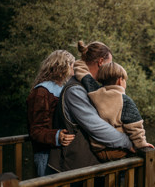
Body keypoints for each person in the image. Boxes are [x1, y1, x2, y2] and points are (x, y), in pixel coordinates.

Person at [48, 41, 134, 173]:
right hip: (73, 169)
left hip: (86, 166)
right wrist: (128, 142)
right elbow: (96, 126)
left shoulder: (90, 87)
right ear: (100, 62)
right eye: (109, 64)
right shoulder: (75, 90)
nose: (111, 69)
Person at [74, 61, 154, 161]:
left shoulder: (94, 91)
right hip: (117, 150)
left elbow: (81, 71)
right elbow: (135, 127)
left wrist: (84, 55)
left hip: (98, 151)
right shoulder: (124, 100)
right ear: (120, 80)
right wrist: (142, 144)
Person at [27, 50, 76, 177]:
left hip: (60, 153)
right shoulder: (42, 91)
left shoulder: (63, 88)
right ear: (62, 66)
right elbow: (36, 130)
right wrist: (58, 136)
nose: (75, 68)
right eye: (72, 65)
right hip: (46, 154)